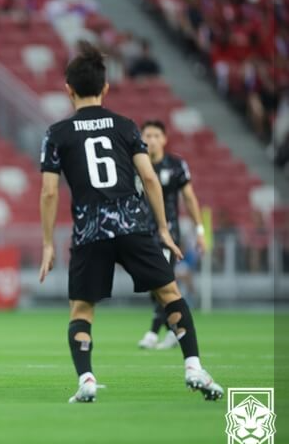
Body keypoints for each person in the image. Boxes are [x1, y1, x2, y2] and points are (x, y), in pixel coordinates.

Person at [37, 43, 222, 403]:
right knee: (170, 294)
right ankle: (194, 367)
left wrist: (47, 244)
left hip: (90, 231)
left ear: (68, 90)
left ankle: (87, 379)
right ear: (106, 88)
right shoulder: (125, 126)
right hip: (132, 225)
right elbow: (150, 178)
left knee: (82, 309)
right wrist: (163, 229)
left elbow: (48, 192)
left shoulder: (57, 133)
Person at [136, 120, 207, 350]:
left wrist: (199, 230)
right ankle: (173, 331)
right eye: (148, 135)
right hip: (140, 234)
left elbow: (189, 197)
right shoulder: (134, 164)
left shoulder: (176, 165)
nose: (152, 140)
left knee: (162, 281)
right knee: (153, 286)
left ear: (165, 139)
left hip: (167, 234)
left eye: (156, 135)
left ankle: (152, 332)